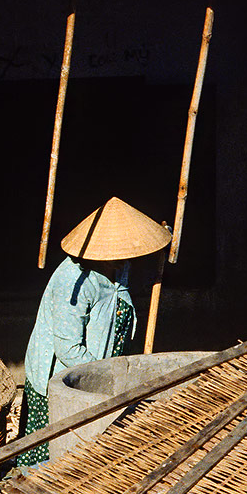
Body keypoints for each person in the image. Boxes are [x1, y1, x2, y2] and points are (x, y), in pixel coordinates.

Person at [17, 196, 171, 466]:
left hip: (103, 368)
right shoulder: (73, 282)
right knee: (55, 458)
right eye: (118, 257)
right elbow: (68, 348)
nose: (124, 261)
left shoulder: (117, 265)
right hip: (65, 379)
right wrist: (105, 378)